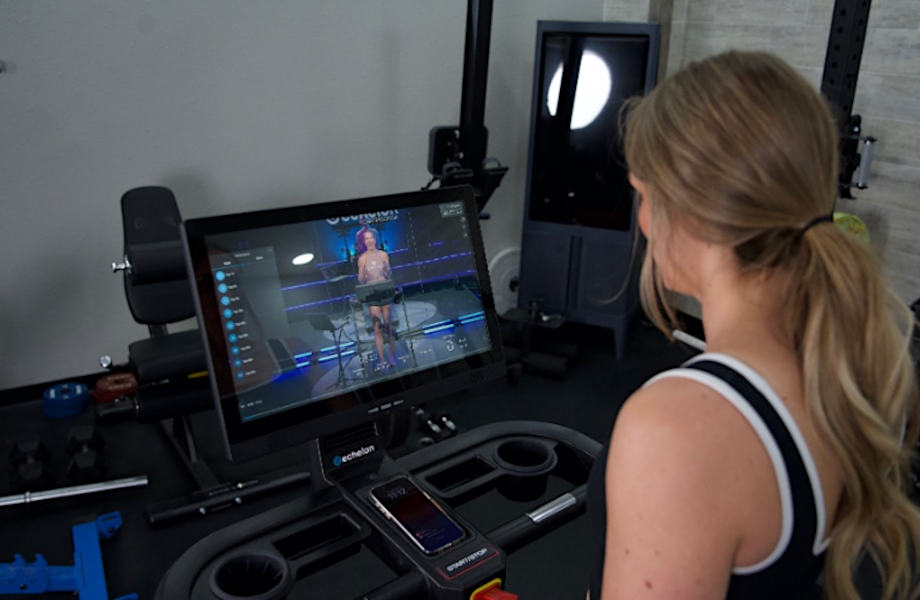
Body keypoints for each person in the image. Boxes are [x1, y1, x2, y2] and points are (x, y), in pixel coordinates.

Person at [587, 51, 920, 600]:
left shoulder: (676, 431)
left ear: (690, 213)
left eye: (644, 197)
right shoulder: (841, 367)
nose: (643, 221)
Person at [355, 225, 397, 370]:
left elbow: (389, 275)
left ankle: (392, 357)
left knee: (388, 326)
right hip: (372, 296)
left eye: (371, 237)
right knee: (377, 329)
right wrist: (362, 271)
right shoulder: (362, 259)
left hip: (384, 293)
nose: (369, 240)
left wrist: (387, 268)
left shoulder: (383, 254)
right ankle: (382, 360)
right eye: (366, 239)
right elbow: (361, 281)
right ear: (364, 242)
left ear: (375, 239)